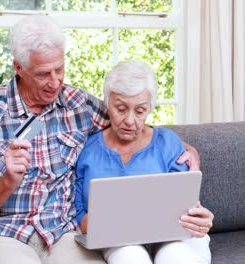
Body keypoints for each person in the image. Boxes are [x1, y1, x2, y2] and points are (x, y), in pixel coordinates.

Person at [0, 16, 202, 264]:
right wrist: (8, 180)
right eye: (43, 74)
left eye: (59, 69)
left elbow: (134, 123)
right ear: (19, 68)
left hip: (62, 235)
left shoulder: (78, 104)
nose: (55, 82)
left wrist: (187, 150)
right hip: (2, 235)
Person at [75, 61, 213, 264]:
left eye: (140, 111)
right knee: (129, 255)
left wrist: (197, 219)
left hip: (174, 238)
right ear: (107, 103)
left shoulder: (168, 143)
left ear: (149, 108)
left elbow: (187, 203)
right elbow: (79, 214)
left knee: (173, 255)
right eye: (121, 109)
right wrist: (98, 225)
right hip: (118, 241)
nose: (130, 121)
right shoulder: (88, 150)